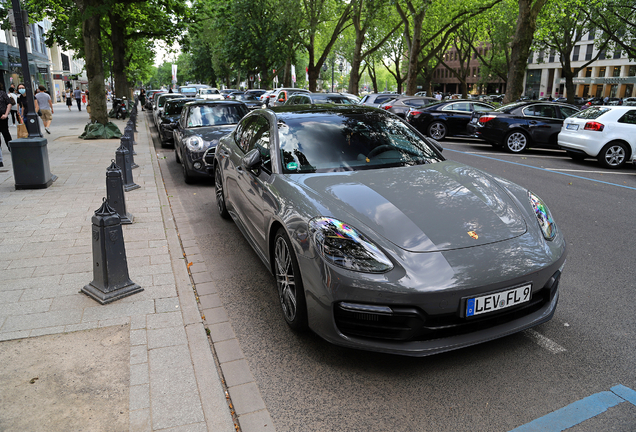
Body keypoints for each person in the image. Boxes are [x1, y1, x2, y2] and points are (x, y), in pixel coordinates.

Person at [0, 83, 13, 167]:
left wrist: (6, 114)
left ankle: (12, 150)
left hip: (2, 118)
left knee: (6, 134)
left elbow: (9, 103)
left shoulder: (2, 93)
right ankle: (0, 159)